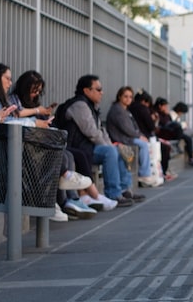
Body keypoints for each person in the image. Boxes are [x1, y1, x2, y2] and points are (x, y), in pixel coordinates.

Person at [10, 70, 98, 221]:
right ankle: (60, 201)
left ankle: (72, 199)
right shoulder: (14, 101)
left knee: (70, 155)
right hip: (28, 143)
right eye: (33, 91)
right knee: (60, 156)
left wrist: (45, 118)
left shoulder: (35, 104)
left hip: (43, 140)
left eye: (38, 91)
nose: (35, 94)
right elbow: (16, 116)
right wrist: (39, 113)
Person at [56, 75, 144, 209]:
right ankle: (113, 194)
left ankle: (125, 190)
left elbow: (102, 131)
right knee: (110, 152)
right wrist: (109, 147)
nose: (101, 92)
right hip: (79, 147)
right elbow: (91, 132)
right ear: (86, 91)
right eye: (98, 89)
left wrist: (112, 145)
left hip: (89, 146)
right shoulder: (80, 105)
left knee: (121, 149)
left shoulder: (92, 106)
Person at [106, 86, 162, 187]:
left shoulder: (125, 110)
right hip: (121, 138)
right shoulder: (117, 110)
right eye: (125, 96)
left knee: (145, 142)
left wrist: (140, 135)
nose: (128, 99)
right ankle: (144, 174)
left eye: (130, 97)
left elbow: (134, 127)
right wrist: (139, 136)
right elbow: (126, 128)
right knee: (143, 144)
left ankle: (147, 172)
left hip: (128, 137)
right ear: (119, 97)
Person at [130, 91, 173, 183]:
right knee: (165, 147)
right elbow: (151, 127)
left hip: (136, 136)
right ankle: (161, 173)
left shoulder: (130, 108)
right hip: (145, 136)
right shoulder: (143, 109)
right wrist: (154, 120)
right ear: (145, 101)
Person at [154, 97, 193, 167]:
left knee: (191, 138)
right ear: (160, 106)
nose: (166, 108)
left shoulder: (165, 114)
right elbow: (166, 124)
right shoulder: (158, 114)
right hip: (167, 133)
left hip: (172, 132)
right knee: (191, 135)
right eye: (165, 106)